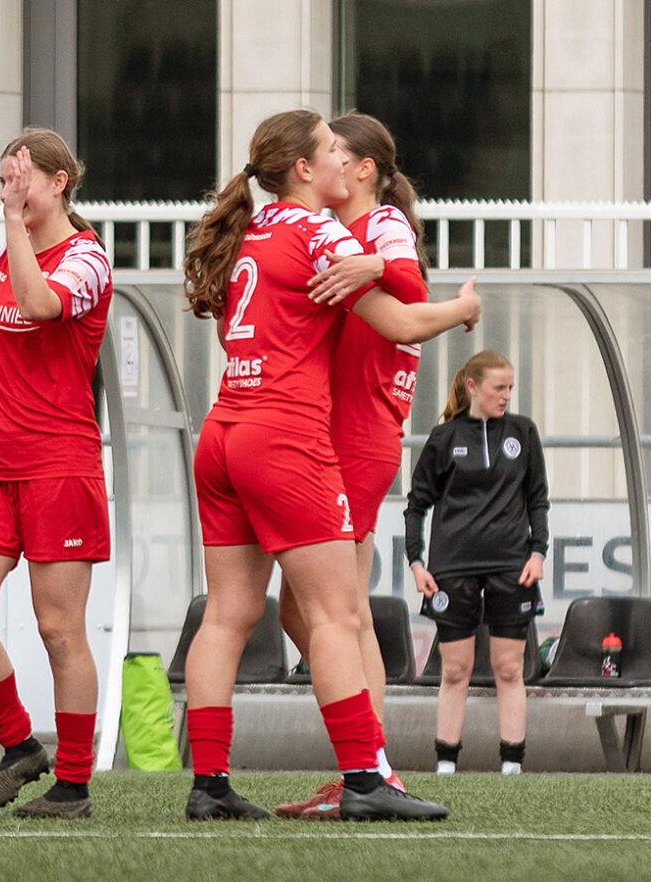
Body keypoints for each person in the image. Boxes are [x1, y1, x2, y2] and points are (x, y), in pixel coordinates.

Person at [180, 108, 479, 822]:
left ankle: (209, 784)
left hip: (223, 427)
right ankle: (366, 779)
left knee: (226, 616)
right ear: (306, 170)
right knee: (339, 615)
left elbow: (238, 326)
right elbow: (403, 320)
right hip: (285, 436)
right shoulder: (320, 230)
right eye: (328, 151)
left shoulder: (251, 230)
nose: (341, 162)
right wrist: (464, 305)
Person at [0, 127, 110, 820]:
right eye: (6, 179)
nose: (11, 190)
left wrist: (10, 223)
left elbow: (40, 306)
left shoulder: (85, 258)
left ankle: (74, 784)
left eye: (21, 178)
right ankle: (19, 745)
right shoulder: (6, 256)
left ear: (59, 182)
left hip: (59, 466)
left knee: (60, 629)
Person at [274, 111, 431, 819]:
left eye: (338, 151)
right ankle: (365, 762)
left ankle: (372, 771)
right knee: (316, 608)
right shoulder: (330, 233)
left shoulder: (382, 226)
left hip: (359, 434)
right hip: (325, 431)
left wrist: (377, 265)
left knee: (341, 609)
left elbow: (413, 290)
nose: (328, 162)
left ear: (365, 168)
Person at [405, 350, 548, 776]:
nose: (506, 395)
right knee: (456, 670)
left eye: (510, 388)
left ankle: (512, 764)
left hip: (512, 565)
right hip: (452, 568)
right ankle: (446, 762)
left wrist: (538, 553)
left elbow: (537, 498)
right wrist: (416, 562)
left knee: (508, 669)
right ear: (473, 387)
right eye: (498, 388)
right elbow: (417, 505)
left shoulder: (523, 432)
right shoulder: (443, 437)